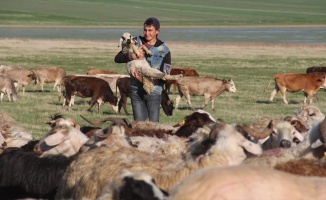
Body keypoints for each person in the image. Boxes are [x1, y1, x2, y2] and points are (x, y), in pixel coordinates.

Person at [114, 17, 171, 122]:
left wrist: (144, 79)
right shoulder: (135, 41)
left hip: (153, 92)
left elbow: (165, 76)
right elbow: (117, 58)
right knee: (138, 126)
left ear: (157, 31)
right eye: (145, 30)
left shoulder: (164, 50)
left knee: (153, 126)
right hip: (136, 92)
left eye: (150, 30)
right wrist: (132, 56)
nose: (147, 33)